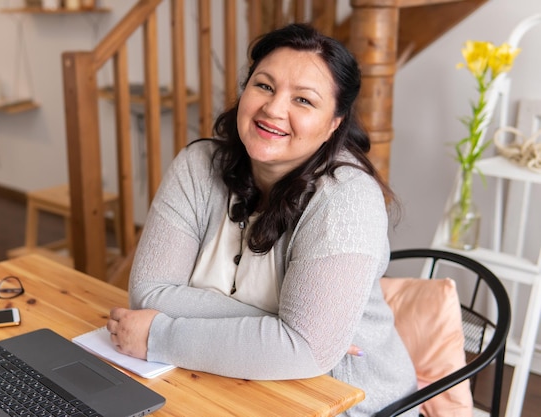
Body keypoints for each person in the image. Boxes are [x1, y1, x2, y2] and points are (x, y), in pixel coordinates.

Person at [107, 23, 418, 416]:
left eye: (303, 100)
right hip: (229, 383)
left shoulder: (347, 198)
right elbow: (148, 293)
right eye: (265, 86)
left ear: (334, 123)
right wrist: (283, 330)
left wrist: (159, 333)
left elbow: (308, 351)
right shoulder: (197, 166)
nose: (273, 109)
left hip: (349, 400)